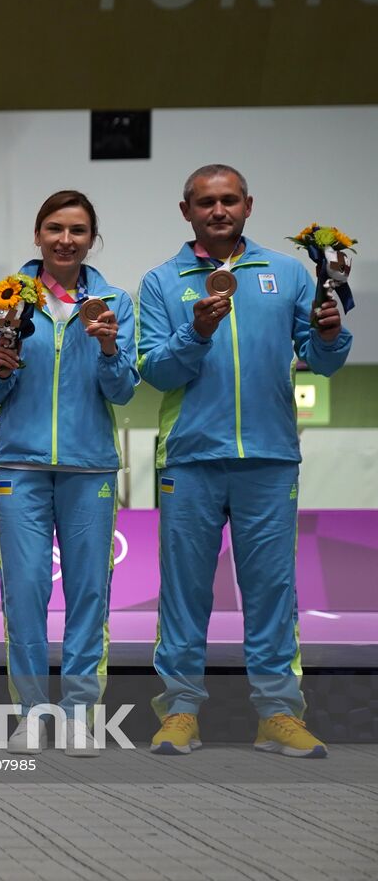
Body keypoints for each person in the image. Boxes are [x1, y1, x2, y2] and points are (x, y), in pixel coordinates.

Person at [138, 164, 351, 758]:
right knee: (184, 592)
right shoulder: (161, 282)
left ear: (248, 205)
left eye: (229, 200)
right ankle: (179, 711)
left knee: (272, 589)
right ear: (186, 212)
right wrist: (196, 333)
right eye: (205, 202)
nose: (218, 210)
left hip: (270, 456)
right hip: (190, 457)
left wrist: (330, 337)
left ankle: (278, 714)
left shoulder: (286, 274)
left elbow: (323, 361)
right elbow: (153, 370)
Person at [0, 190, 138, 756]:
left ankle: (79, 713)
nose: (66, 239)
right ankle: (30, 712)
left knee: (91, 592)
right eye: (56, 228)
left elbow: (124, 389)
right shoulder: (7, 298)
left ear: (92, 239)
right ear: (38, 236)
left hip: (90, 466)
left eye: (79, 230)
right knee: (26, 591)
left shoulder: (114, 300)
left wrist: (111, 348)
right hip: (22, 465)